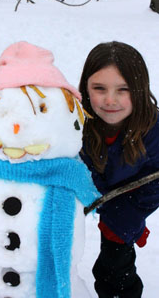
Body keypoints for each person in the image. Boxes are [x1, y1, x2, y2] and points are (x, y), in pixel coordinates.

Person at [79, 41, 159, 298]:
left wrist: (125, 218)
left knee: (114, 268)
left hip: (127, 204)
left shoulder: (154, 130)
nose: (110, 100)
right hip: (83, 197)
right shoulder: (76, 121)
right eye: (99, 88)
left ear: (140, 90)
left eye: (123, 89)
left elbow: (155, 183)